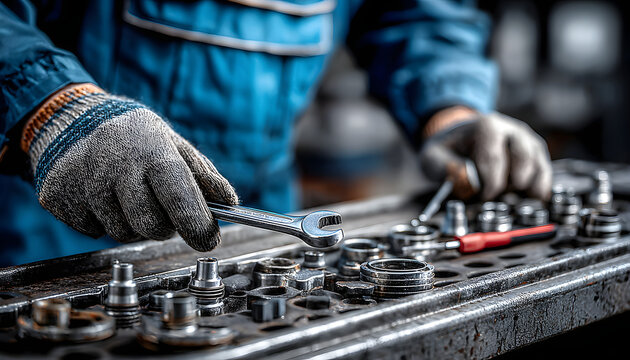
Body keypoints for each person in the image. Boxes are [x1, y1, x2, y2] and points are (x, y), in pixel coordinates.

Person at [0, 0, 551, 266]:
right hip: (55, 246)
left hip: (268, 241)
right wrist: (52, 106)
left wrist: (450, 109)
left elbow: (417, 12)